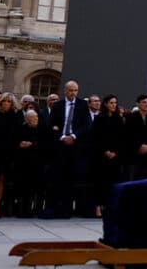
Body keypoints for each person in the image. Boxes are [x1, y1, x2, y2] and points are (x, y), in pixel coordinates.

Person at [48, 80, 90, 218]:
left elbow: (86, 125)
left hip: (75, 146)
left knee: (72, 178)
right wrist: (61, 137)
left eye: (75, 90)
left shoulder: (83, 105)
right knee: (59, 177)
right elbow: (52, 124)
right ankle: (58, 208)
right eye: (71, 90)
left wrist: (73, 136)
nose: (73, 93)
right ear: (65, 91)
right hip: (60, 146)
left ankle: (68, 209)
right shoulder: (58, 105)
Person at [90, 95, 124, 216]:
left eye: (115, 103)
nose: (114, 105)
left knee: (114, 182)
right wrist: (105, 151)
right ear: (105, 104)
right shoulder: (99, 119)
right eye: (111, 103)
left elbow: (122, 138)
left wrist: (115, 152)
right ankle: (98, 207)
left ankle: (111, 207)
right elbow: (96, 138)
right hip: (101, 156)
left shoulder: (118, 119)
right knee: (100, 182)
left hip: (115, 156)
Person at [13, 110, 43, 218]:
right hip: (23, 163)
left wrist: (32, 144)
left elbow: (44, 143)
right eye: (32, 117)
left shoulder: (40, 130)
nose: (35, 119)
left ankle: (30, 209)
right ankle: (21, 210)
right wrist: (20, 144)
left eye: (36, 117)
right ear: (26, 119)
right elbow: (15, 142)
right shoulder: (21, 129)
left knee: (32, 188)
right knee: (22, 187)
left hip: (36, 163)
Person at [124, 94, 147, 181]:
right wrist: (139, 146)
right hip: (134, 156)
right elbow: (128, 136)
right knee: (132, 181)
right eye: (144, 102)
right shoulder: (130, 118)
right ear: (138, 104)